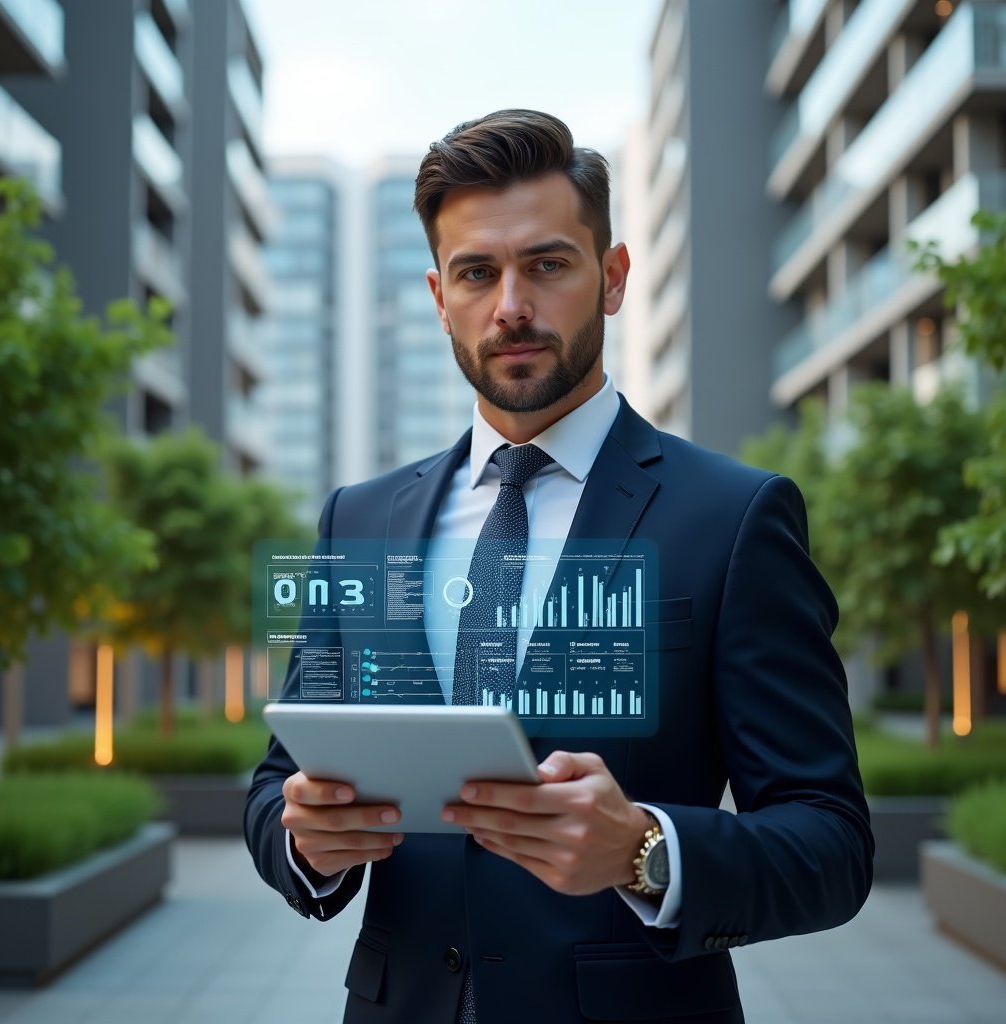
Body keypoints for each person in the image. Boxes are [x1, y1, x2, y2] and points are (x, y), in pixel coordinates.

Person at [245, 109, 873, 1024]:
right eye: (476, 272)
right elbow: (275, 786)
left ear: (611, 278)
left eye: (546, 264)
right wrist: (307, 839)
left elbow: (833, 843)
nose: (511, 307)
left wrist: (643, 852)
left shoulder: (733, 517)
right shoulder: (360, 520)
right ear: (438, 296)